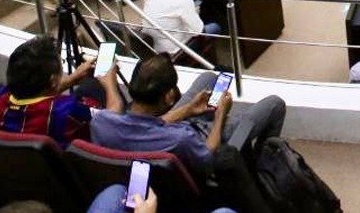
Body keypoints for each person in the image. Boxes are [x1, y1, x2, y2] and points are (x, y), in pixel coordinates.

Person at [89, 54, 288, 174]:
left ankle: (204, 110)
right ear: (169, 97)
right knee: (275, 104)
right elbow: (207, 156)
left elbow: (147, 126)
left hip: (168, 129)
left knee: (208, 78)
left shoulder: (101, 122)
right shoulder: (180, 139)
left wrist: (188, 109)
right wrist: (220, 116)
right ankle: (265, 172)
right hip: (203, 139)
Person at [0, 35, 121, 144]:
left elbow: (33, 97)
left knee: (89, 86)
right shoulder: (67, 111)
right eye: (61, 62)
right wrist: (110, 84)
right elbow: (112, 120)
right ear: (53, 81)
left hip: (22, 164)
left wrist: (72, 79)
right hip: (70, 162)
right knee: (96, 87)